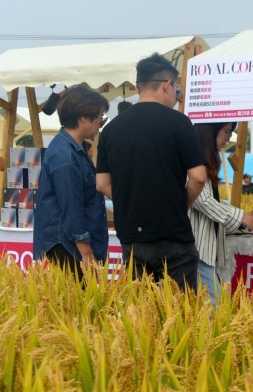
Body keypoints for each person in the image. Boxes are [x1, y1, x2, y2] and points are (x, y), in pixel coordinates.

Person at [96, 52, 207, 290]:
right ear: (168, 85)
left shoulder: (111, 130)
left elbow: (102, 184)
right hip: (173, 236)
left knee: (142, 317)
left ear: (138, 87)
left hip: (133, 239)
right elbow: (198, 176)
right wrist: (180, 203)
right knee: (180, 316)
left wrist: (131, 200)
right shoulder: (179, 123)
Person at [32, 86, 110, 277]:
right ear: (84, 117)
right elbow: (71, 208)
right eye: (101, 118)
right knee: (75, 304)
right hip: (69, 249)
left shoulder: (73, 150)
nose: (101, 124)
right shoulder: (65, 157)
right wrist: (86, 253)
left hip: (70, 247)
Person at [189, 121, 253, 303]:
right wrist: (241, 217)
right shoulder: (192, 163)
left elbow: (214, 201)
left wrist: (246, 217)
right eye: (226, 132)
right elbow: (204, 201)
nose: (228, 138)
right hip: (197, 249)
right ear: (210, 132)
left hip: (206, 251)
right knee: (213, 307)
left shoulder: (206, 163)